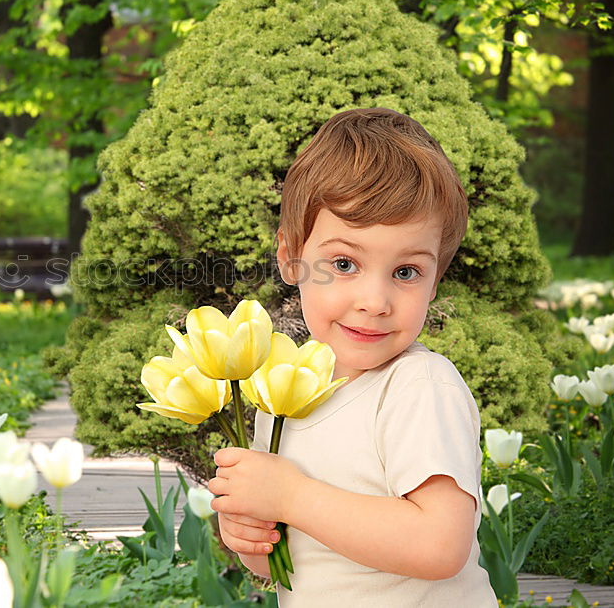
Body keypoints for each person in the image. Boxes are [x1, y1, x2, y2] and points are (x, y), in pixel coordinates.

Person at [207, 108, 500, 607]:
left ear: (436, 277)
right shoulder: (282, 395)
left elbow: (439, 545)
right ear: (290, 257)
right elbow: (288, 560)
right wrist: (249, 529)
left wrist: (291, 496)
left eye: (406, 272)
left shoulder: (419, 388)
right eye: (345, 264)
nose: (375, 300)